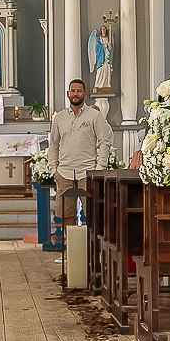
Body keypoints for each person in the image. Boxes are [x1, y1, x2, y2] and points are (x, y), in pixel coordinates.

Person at [47, 79, 112, 234]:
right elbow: (53, 145)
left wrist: (99, 169)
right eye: (73, 91)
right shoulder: (60, 118)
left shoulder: (95, 116)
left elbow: (104, 142)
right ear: (68, 94)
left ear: (85, 94)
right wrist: (53, 170)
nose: (76, 94)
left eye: (79, 91)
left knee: (94, 213)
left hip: (87, 172)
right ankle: (72, 251)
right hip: (64, 173)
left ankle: (93, 251)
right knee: (66, 214)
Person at [88, 25, 113, 91]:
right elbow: (97, 47)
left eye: (104, 29)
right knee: (100, 71)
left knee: (107, 69)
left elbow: (110, 49)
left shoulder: (108, 38)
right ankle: (98, 84)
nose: (103, 30)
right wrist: (105, 45)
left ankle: (106, 84)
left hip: (107, 58)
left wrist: (110, 47)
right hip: (100, 57)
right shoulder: (98, 39)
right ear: (100, 31)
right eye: (102, 29)